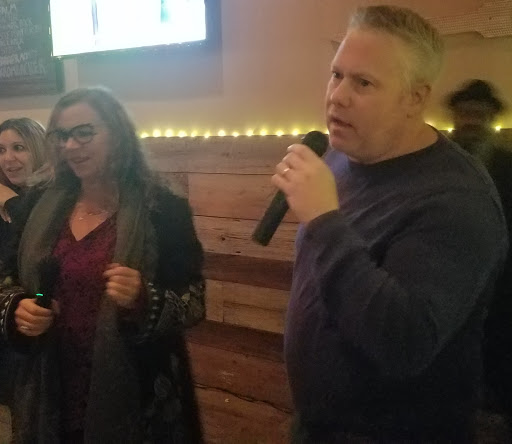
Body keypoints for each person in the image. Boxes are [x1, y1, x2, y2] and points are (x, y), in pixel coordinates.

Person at [271, 5, 508, 443]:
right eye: (336, 74)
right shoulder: (339, 158)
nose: (337, 96)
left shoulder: (457, 199)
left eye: (363, 83)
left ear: (415, 98)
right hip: (316, 426)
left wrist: (323, 219)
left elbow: (403, 343)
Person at [0, 87, 205, 443]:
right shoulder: (37, 202)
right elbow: (6, 278)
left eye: (84, 133)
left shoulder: (162, 208)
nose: (70, 146)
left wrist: (144, 299)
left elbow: (195, 300)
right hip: (49, 385)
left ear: (118, 133)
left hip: (135, 391)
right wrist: (18, 307)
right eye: (62, 135)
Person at [446, 80, 512, 429]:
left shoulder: (508, 167)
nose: (471, 121)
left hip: (502, 286)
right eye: (466, 114)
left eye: (479, 115)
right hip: (449, 284)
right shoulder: (439, 165)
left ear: (490, 119)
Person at [0, 118, 47, 261]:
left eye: (18, 148)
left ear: (40, 150)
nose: (7, 158)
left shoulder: (56, 194)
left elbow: (37, 239)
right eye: (1, 150)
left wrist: (11, 201)